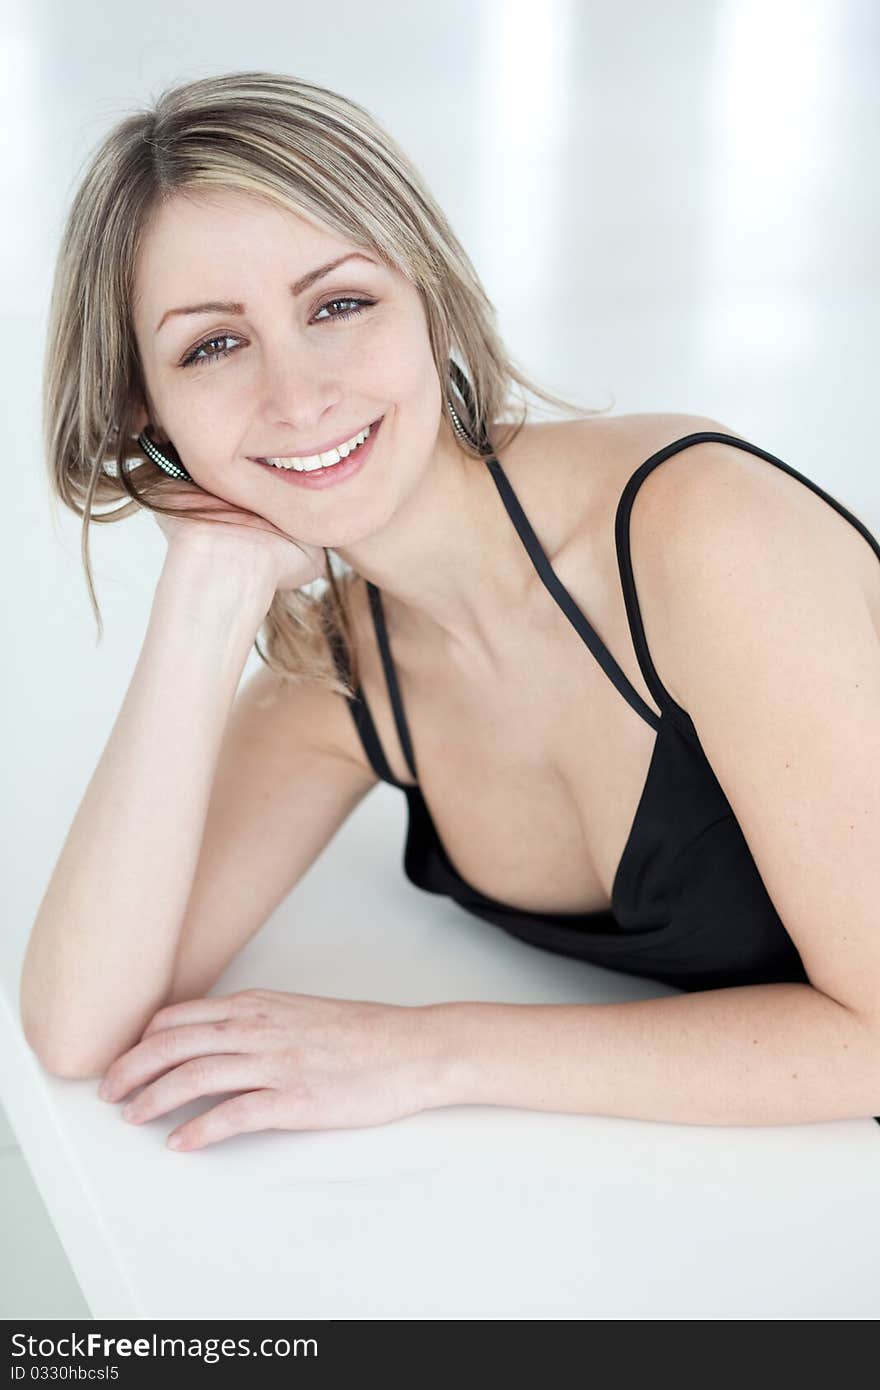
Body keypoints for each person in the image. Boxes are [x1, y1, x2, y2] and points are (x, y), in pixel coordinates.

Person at [20, 71, 880, 1148]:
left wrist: (428, 1051)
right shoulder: (338, 682)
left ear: (427, 291)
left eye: (338, 303)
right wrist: (206, 591)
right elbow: (77, 1023)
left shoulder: (700, 537)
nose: (297, 395)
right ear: (146, 411)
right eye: (213, 345)